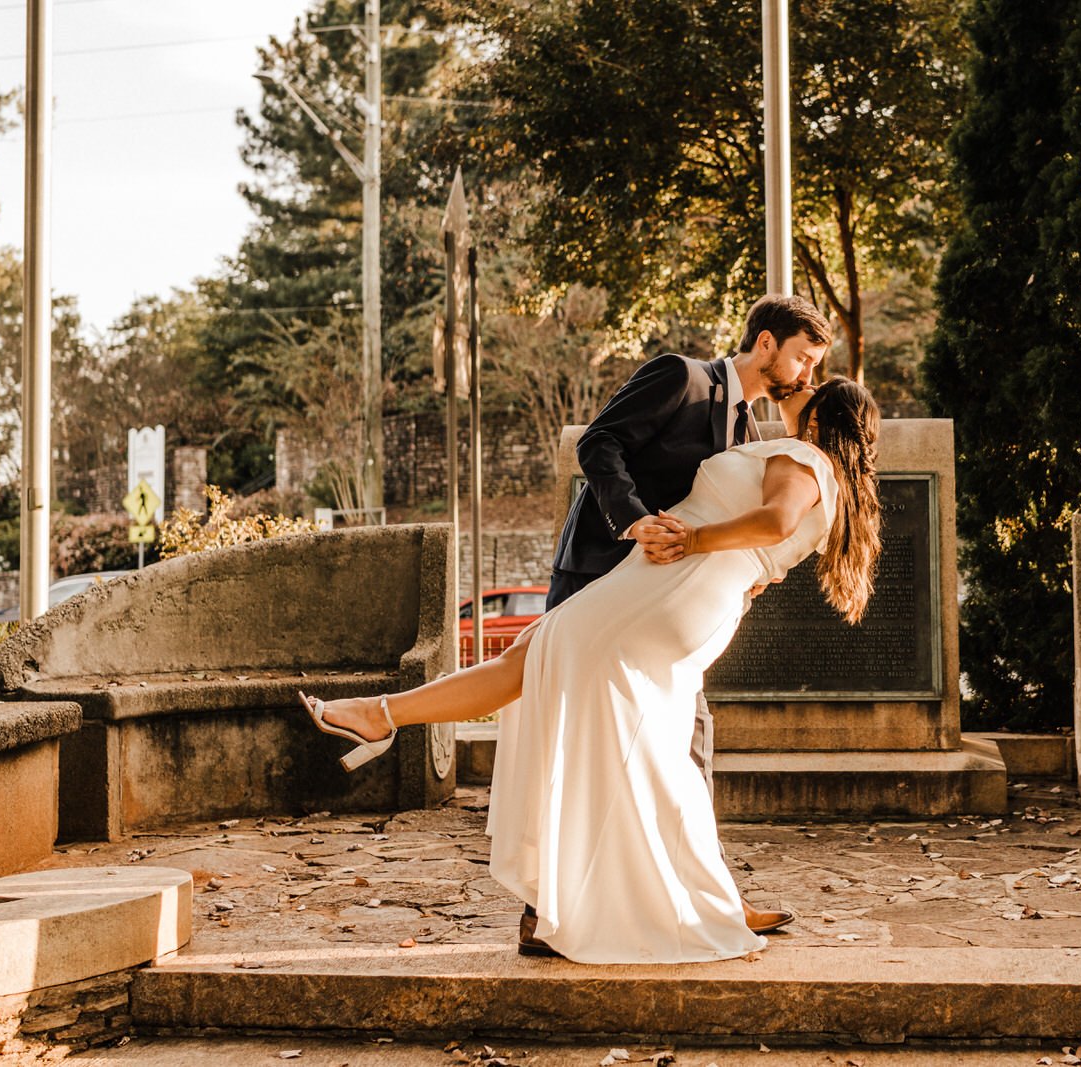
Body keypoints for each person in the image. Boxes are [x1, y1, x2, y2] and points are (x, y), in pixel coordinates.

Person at [299, 376, 882, 964]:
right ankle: (382, 716)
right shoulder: (835, 491)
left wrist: (694, 539)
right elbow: (773, 553)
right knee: (568, 686)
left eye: (809, 387)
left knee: (548, 673)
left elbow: (776, 522)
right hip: (689, 595)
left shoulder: (802, 456)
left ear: (821, 417)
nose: (797, 387)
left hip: (671, 583)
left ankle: (384, 717)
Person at [540, 294, 830, 945]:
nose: (807, 376)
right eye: (803, 358)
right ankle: (542, 908)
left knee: (690, 739)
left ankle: (712, 897)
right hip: (595, 571)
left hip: (660, 608)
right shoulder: (682, 376)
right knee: (566, 733)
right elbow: (599, 443)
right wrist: (633, 516)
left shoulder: (747, 434)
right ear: (765, 344)